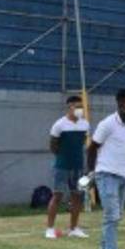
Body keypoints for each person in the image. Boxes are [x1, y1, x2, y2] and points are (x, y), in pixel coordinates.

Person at [87, 89, 125, 249]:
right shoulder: (107, 124)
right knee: (112, 216)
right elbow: (92, 148)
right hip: (105, 174)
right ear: (120, 105)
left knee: (115, 217)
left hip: (123, 175)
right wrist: (91, 173)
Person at [46, 95, 90, 240]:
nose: (80, 109)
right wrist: (62, 157)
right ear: (69, 107)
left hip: (78, 166)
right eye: (77, 106)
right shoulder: (59, 124)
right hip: (62, 166)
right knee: (57, 195)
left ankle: (74, 228)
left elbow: (83, 141)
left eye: (81, 106)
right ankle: (50, 229)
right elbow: (53, 145)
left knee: (77, 196)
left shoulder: (85, 124)